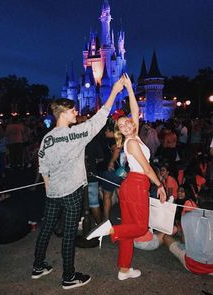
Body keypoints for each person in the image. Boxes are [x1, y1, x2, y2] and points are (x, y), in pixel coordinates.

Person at [31, 78, 124, 289]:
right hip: (71, 191)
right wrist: (115, 92)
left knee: (47, 227)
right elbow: (100, 118)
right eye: (73, 111)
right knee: (70, 233)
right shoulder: (75, 134)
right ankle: (69, 277)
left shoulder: (47, 138)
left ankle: (38, 266)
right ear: (63, 113)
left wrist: (49, 188)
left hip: (53, 192)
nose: (76, 113)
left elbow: (42, 166)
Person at [87, 73, 166, 280]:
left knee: (130, 231)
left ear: (132, 124)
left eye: (127, 122)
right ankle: (109, 229)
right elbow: (147, 169)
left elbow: (135, 110)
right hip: (136, 184)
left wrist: (130, 89)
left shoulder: (135, 136)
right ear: (119, 132)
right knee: (139, 227)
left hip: (132, 185)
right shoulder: (130, 142)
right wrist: (160, 185)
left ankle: (124, 269)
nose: (126, 125)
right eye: (121, 126)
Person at [163, 186, 213, 275]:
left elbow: (184, 241)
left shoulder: (187, 216)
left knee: (166, 237)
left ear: (198, 198)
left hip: (192, 265)